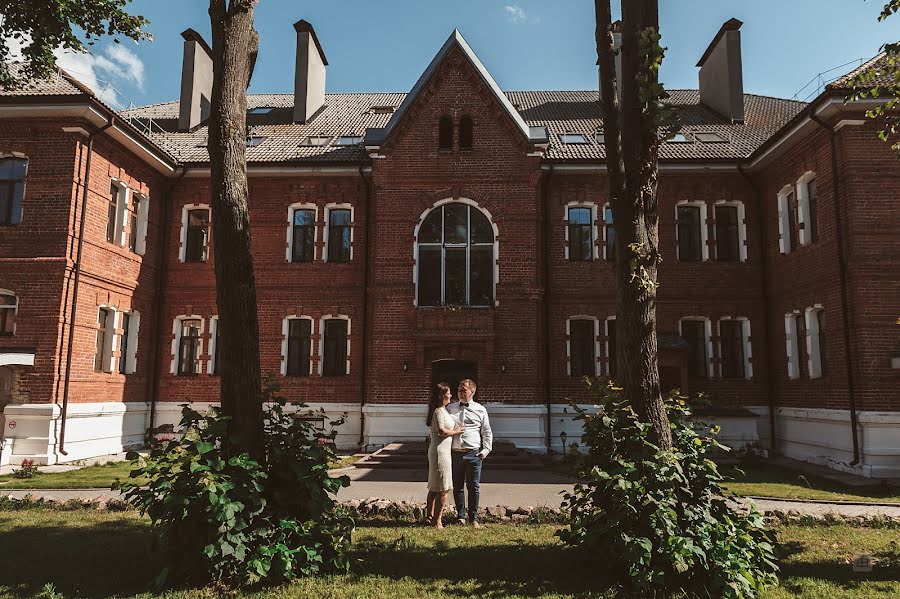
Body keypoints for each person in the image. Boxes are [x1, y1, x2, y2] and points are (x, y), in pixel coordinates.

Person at [446, 378, 493, 528]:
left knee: (473, 486)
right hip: (455, 452)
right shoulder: (450, 408)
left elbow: (486, 432)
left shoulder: (480, 409)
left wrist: (485, 451)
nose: (459, 392)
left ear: (472, 392)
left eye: (463, 389)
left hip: (474, 454)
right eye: (459, 389)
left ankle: (473, 518)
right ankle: (460, 516)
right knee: (457, 486)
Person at [425, 382, 465, 529]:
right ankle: (437, 521)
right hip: (440, 452)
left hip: (443, 451)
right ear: (442, 395)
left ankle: (429, 517)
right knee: (443, 488)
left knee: (435, 486)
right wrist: (457, 431)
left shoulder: (443, 410)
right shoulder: (438, 412)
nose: (451, 395)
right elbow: (442, 430)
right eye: (448, 393)